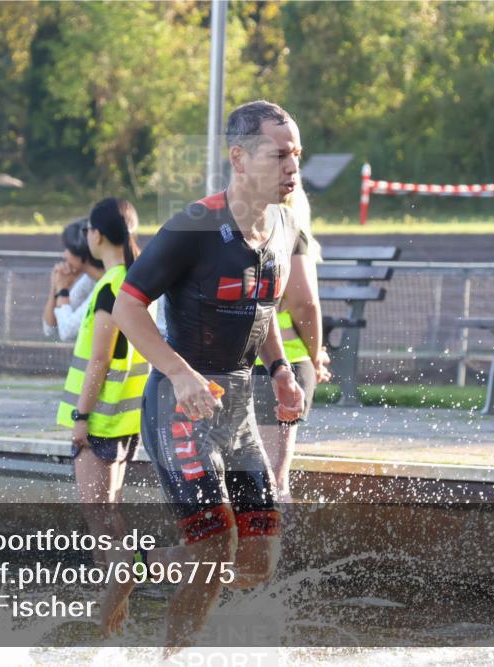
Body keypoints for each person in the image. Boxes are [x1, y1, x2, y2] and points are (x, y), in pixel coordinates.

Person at [107, 100, 307, 650]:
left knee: (255, 562)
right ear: (238, 158)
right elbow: (127, 307)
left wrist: (282, 369)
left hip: (238, 411)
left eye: (297, 155)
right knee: (214, 548)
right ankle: (172, 657)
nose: (293, 168)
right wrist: (179, 372)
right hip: (182, 406)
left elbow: (259, 308)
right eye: (280, 155)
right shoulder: (195, 225)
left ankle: (138, 567)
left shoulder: (283, 224)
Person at [56, 199, 148, 551]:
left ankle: (115, 599)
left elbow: (99, 360)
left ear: (96, 235)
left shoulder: (111, 286)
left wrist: (81, 417)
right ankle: (125, 595)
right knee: (110, 515)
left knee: (100, 521)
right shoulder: (137, 280)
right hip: (125, 419)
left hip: (101, 420)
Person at [253, 179, 330, 503]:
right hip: (287, 361)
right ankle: (270, 553)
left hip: (243, 364)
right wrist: (316, 355)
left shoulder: (249, 236)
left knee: (247, 483)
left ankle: (248, 552)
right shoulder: (291, 235)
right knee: (274, 480)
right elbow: (306, 304)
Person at [42, 218, 105, 342]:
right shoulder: (90, 279)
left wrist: (62, 290)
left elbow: (67, 332)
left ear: (81, 252)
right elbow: (50, 328)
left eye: (68, 249)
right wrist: (55, 288)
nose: (64, 255)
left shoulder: (106, 282)